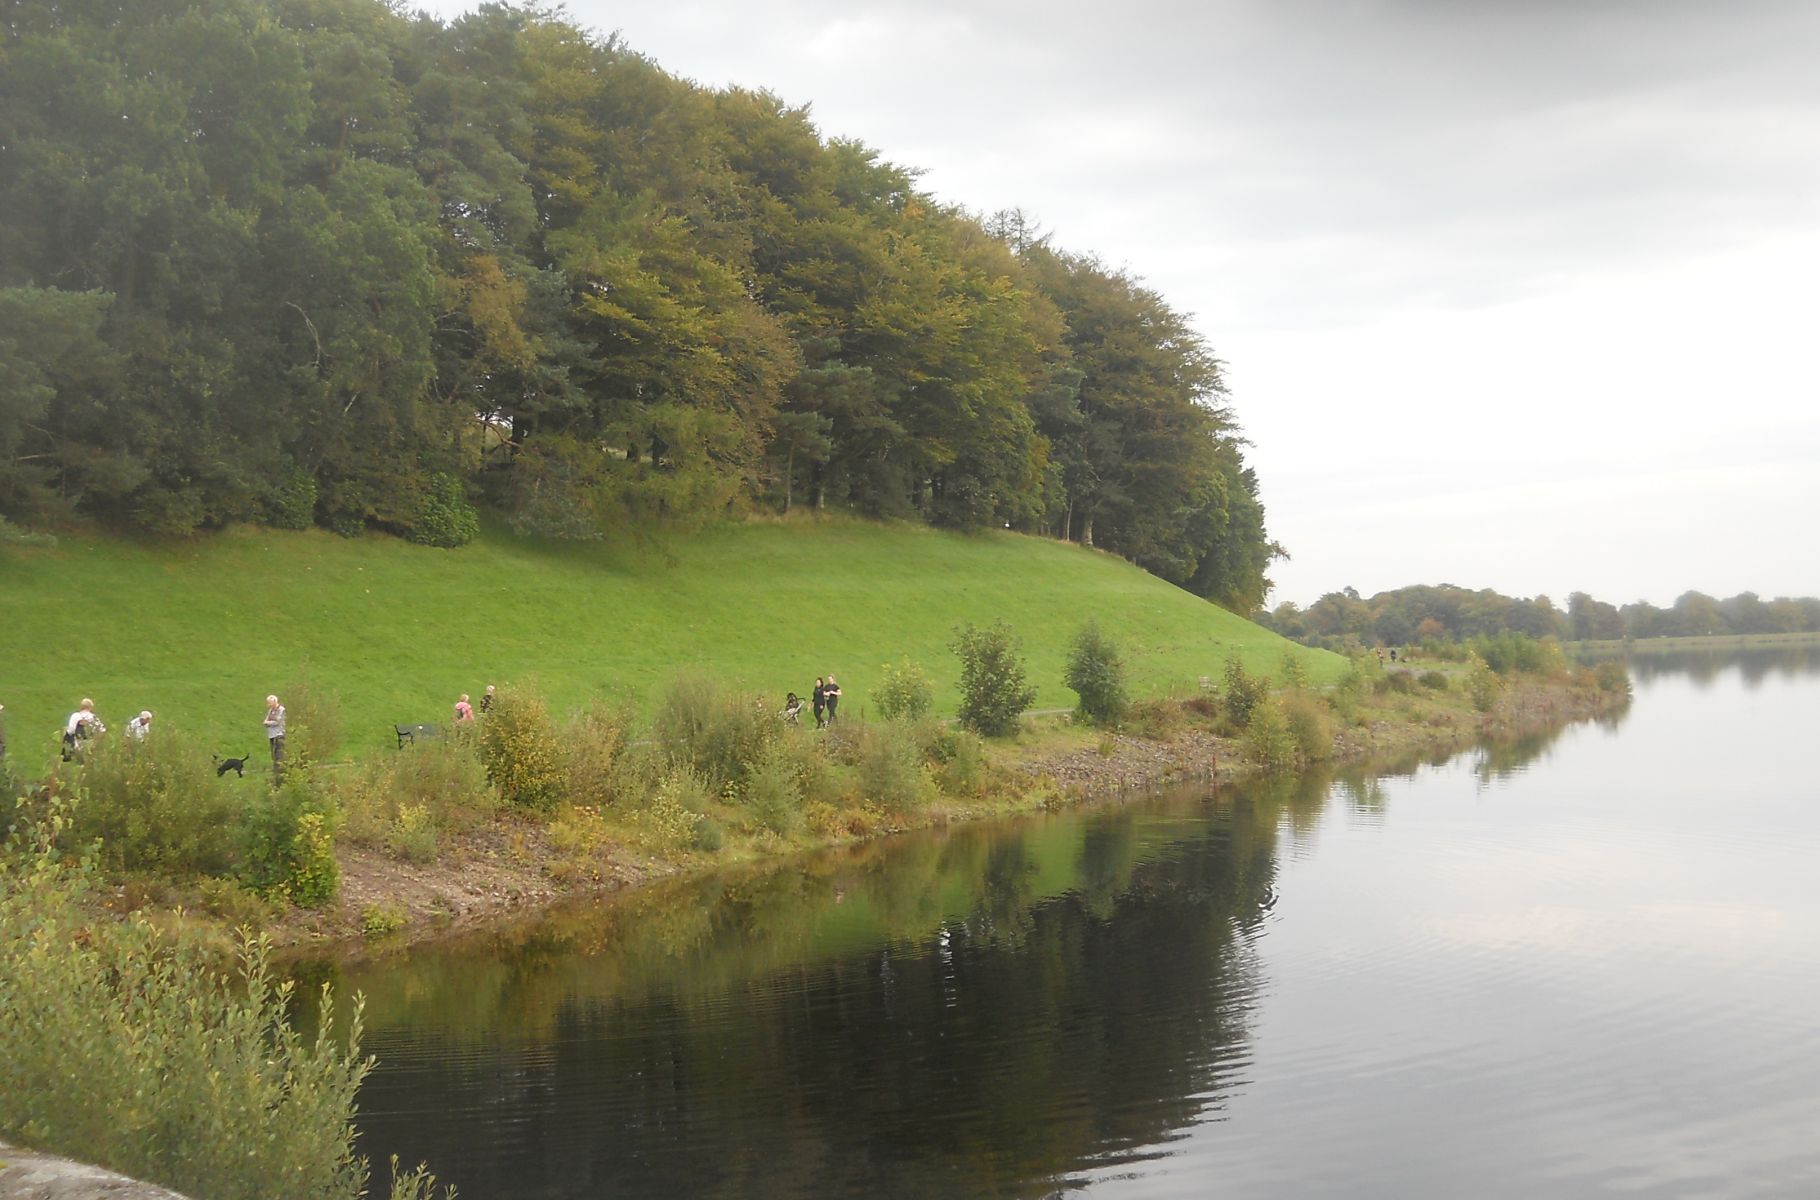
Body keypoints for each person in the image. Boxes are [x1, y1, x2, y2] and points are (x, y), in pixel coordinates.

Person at [263, 694, 287, 783]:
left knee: (279, 754)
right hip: (271, 735)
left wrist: (268, 722)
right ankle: (275, 771)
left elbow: (277, 721)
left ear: (275, 702)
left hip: (279, 734)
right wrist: (268, 722)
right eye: (268, 704)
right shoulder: (270, 710)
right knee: (273, 754)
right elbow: (265, 721)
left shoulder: (281, 710)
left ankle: (280, 773)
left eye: (270, 703)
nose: (268, 705)